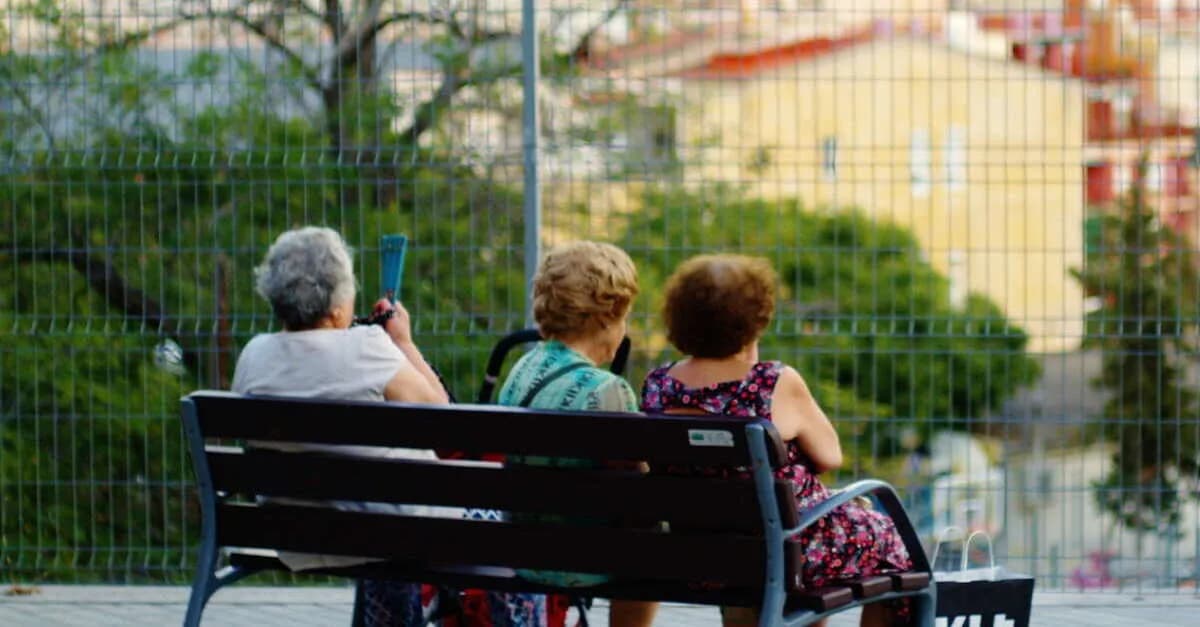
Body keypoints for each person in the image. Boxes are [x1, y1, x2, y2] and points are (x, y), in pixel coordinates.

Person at [639, 254, 911, 627]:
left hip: (701, 556)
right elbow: (830, 455)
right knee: (887, 539)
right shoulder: (772, 382)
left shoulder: (658, 385)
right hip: (781, 553)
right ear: (757, 319)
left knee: (783, 534)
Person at [231, 226, 449, 626]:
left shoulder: (254, 356)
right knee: (483, 520)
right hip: (389, 533)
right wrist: (403, 342)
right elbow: (443, 418)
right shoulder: (368, 347)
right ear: (335, 307)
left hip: (292, 534)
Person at [490, 241, 657, 627]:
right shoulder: (609, 390)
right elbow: (640, 492)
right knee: (650, 545)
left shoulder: (521, 368)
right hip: (584, 559)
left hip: (523, 551)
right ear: (609, 316)